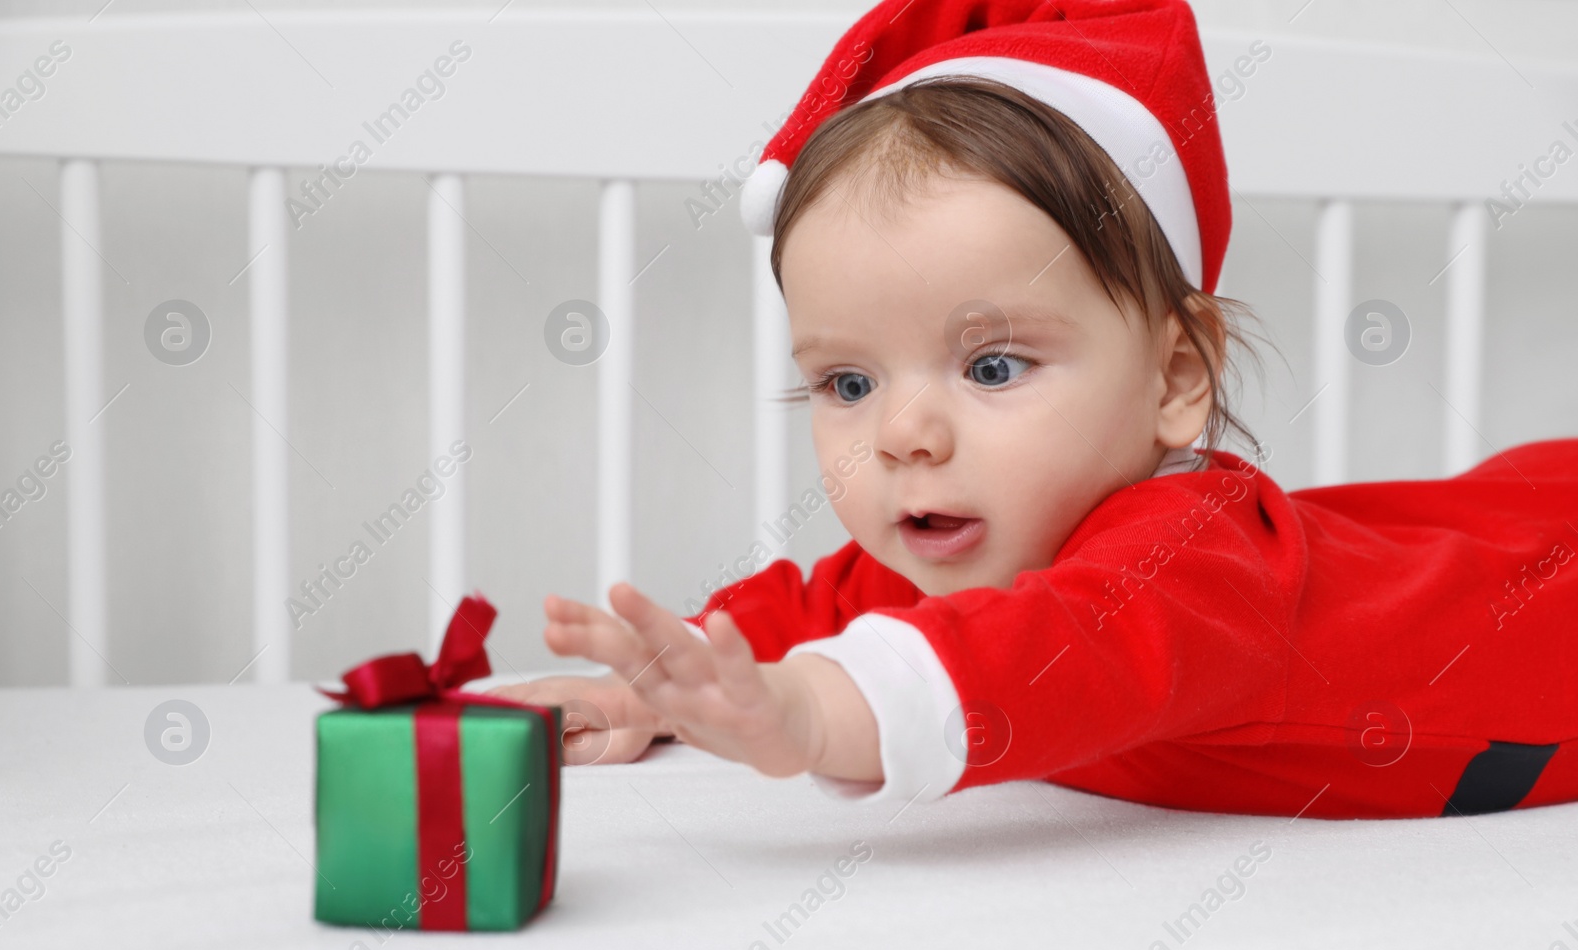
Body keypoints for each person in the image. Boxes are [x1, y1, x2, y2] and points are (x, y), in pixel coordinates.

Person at [491, 0, 1578, 819]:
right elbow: (816, 609)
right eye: (849, 383)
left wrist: (812, 715)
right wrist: (662, 688)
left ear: (1174, 380)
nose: (904, 434)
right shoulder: (950, 551)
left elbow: (1055, 650)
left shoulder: (1186, 557)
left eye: (995, 367)